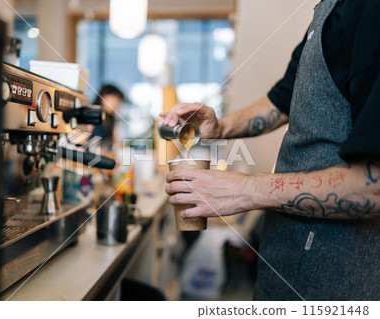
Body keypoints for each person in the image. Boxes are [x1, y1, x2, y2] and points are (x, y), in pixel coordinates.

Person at [161, 0, 380, 301]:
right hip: (285, 260)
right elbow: (282, 100)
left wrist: (247, 190)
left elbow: (373, 186)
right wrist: (221, 127)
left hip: (339, 277)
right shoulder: (328, 10)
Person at [90, 84, 124, 149]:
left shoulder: (111, 118)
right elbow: (83, 141)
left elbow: (115, 141)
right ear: (103, 97)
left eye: (119, 102)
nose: (116, 105)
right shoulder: (91, 113)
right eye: (114, 100)